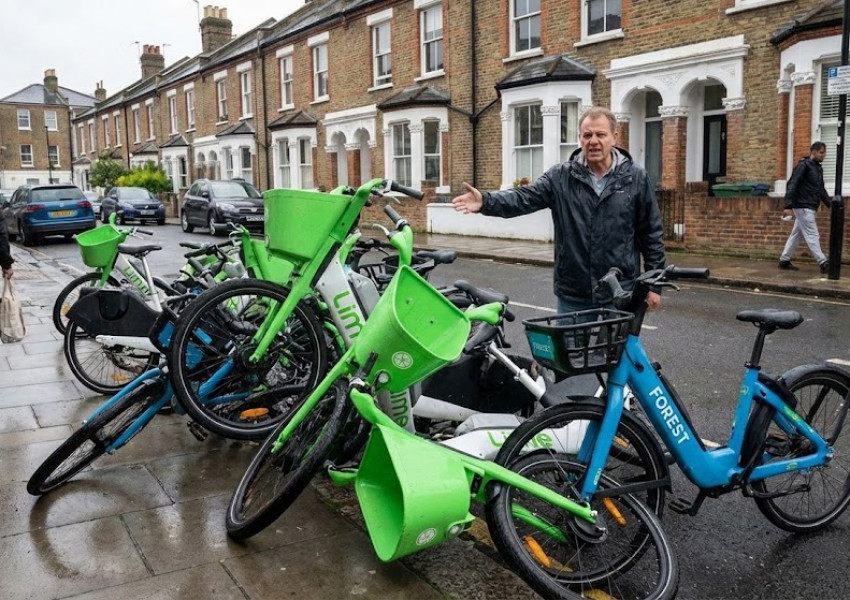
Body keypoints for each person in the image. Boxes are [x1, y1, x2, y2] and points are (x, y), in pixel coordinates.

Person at [451, 106, 666, 314]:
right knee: (569, 352)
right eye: (587, 135)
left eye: (601, 134)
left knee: (618, 352)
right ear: (580, 138)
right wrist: (486, 202)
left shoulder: (636, 178)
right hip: (574, 294)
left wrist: (654, 285)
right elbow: (524, 197)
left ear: (614, 137)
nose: (593, 141)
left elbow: (651, 233)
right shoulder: (560, 177)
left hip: (620, 292)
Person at [778, 141, 831, 273]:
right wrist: (788, 205)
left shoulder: (818, 168)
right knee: (812, 234)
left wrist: (830, 204)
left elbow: (820, 189)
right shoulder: (804, 165)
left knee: (796, 234)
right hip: (802, 205)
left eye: (824, 152)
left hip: (810, 206)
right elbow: (792, 184)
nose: (823, 155)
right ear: (813, 152)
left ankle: (784, 260)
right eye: (821, 152)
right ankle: (823, 262)